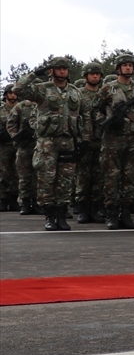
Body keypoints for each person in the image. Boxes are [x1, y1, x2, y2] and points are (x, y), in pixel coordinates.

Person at [14, 58, 82, 231]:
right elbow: (18, 89)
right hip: (47, 142)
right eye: (58, 68)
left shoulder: (75, 91)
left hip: (68, 141)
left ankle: (61, 214)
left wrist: (84, 140)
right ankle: (50, 216)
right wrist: (33, 74)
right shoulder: (42, 89)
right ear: (51, 71)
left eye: (65, 69)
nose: (62, 71)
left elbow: (84, 115)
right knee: (46, 179)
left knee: (65, 180)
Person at [97, 53, 134, 229]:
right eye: (124, 65)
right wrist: (109, 121)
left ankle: (125, 213)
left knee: (130, 177)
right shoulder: (107, 89)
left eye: (130, 65)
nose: (128, 68)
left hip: (133, 138)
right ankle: (111, 214)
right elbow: (95, 111)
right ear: (118, 68)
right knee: (112, 176)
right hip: (113, 138)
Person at [73, 63, 105, 222]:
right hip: (83, 140)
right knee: (83, 177)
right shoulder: (78, 94)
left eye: (97, 74)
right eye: (92, 74)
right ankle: (83, 209)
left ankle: (95, 209)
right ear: (85, 76)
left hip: (102, 140)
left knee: (98, 177)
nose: (95, 77)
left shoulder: (104, 93)